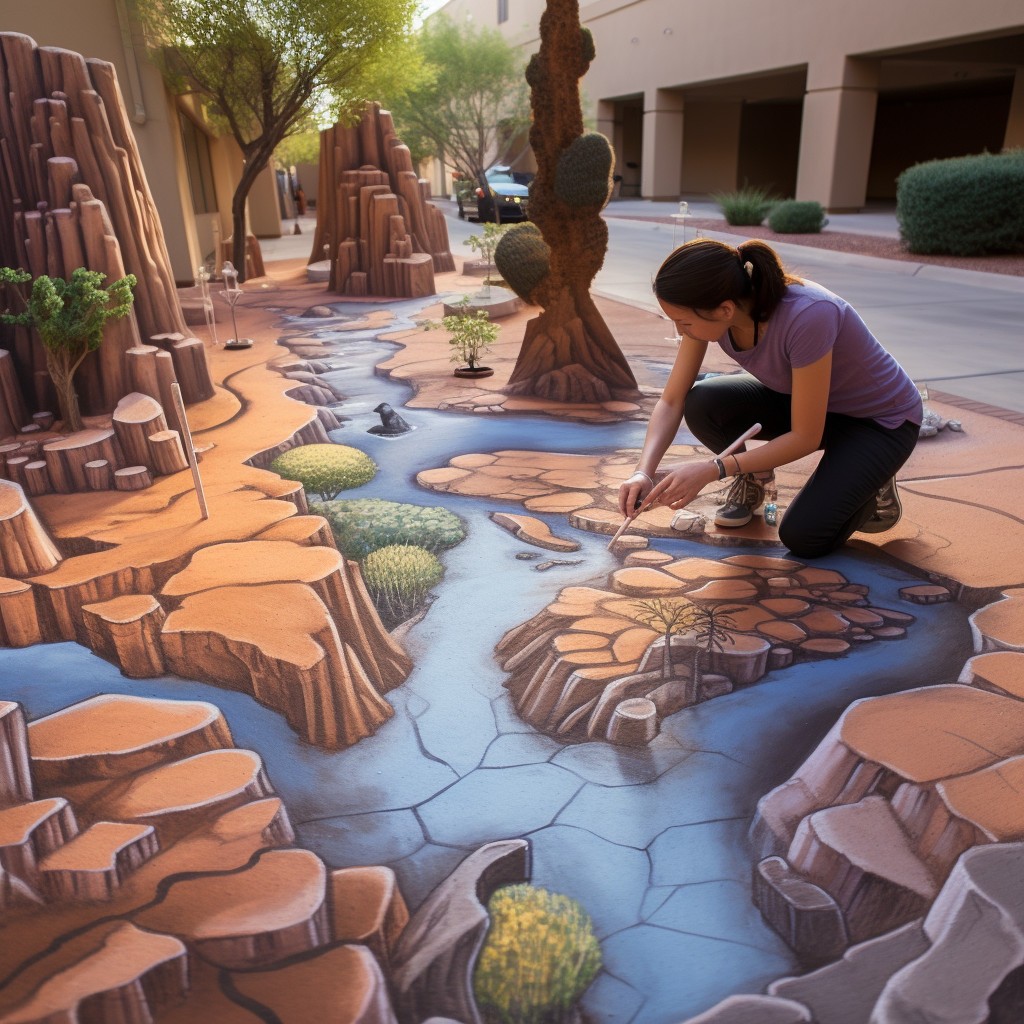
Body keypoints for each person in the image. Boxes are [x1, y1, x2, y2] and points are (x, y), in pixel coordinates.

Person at [618, 238, 922, 559]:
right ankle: (752, 478)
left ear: (725, 309)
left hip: (880, 422)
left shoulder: (810, 315)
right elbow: (672, 400)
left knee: (804, 537)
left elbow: (805, 437)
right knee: (703, 402)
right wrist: (643, 472)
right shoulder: (716, 312)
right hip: (808, 404)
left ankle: (870, 483)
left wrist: (714, 469)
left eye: (685, 322)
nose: (681, 331)